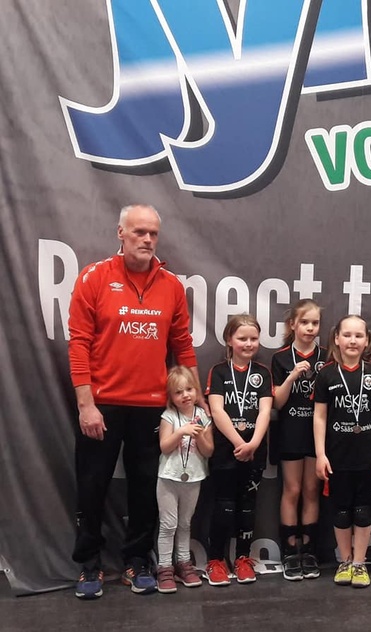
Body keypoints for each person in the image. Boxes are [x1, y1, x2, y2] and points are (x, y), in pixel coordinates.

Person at [68, 204, 203, 600]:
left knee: (146, 488)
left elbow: (183, 346)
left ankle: (137, 561)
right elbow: (79, 344)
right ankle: (89, 565)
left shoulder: (171, 285)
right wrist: (86, 405)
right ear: (121, 233)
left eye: (153, 233)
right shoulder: (94, 277)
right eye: (139, 231)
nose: (147, 239)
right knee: (92, 487)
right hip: (102, 405)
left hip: (151, 407)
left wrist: (196, 404)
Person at [313, 315, 371, 588]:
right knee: (341, 512)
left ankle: (359, 563)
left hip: (368, 455)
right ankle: (345, 561)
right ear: (336, 338)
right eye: (347, 335)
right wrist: (320, 454)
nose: (353, 341)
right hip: (337, 457)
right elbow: (319, 416)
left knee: (363, 511)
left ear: (367, 340)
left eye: (359, 335)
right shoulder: (326, 374)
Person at [204, 314, 273, 585]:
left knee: (247, 506)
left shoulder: (263, 372)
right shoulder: (219, 371)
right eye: (242, 338)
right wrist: (238, 442)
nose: (248, 343)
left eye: (254, 338)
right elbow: (217, 410)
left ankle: (243, 558)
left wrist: (253, 443)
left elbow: (265, 411)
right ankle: (215, 560)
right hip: (226, 450)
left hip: (255, 450)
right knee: (223, 505)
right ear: (229, 340)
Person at [271, 299, 326, 581]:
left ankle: (309, 549)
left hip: (318, 434)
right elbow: (277, 403)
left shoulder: (327, 356)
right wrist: (292, 376)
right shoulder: (281, 358)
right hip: (290, 431)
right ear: (292, 324)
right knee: (292, 489)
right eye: (304, 322)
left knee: (311, 490)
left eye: (315, 323)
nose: (310, 328)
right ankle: (290, 550)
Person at [156, 366, 213, 594]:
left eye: (189, 389)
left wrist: (199, 435)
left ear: (196, 390)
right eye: (178, 392)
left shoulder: (203, 416)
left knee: (185, 524)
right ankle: (164, 567)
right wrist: (180, 432)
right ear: (171, 397)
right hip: (168, 478)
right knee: (168, 525)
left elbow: (208, 451)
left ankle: (183, 564)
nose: (185, 395)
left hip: (193, 477)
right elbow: (164, 446)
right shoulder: (169, 416)